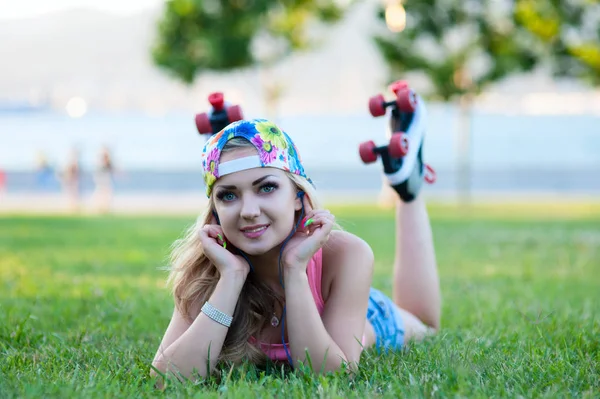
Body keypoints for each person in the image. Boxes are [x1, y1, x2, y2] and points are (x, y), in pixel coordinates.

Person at [151, 116, 441, 384]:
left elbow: (332, 376)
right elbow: (166, 379)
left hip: (366, 317)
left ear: (298, 198)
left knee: (428, 327)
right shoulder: (206, 268)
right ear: (214, 211)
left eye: (266, 188)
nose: (249, 211)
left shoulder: (347, 254)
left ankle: (408, 189)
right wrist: (230, 277)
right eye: (229, 195)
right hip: (313, 300)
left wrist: (294, 269)